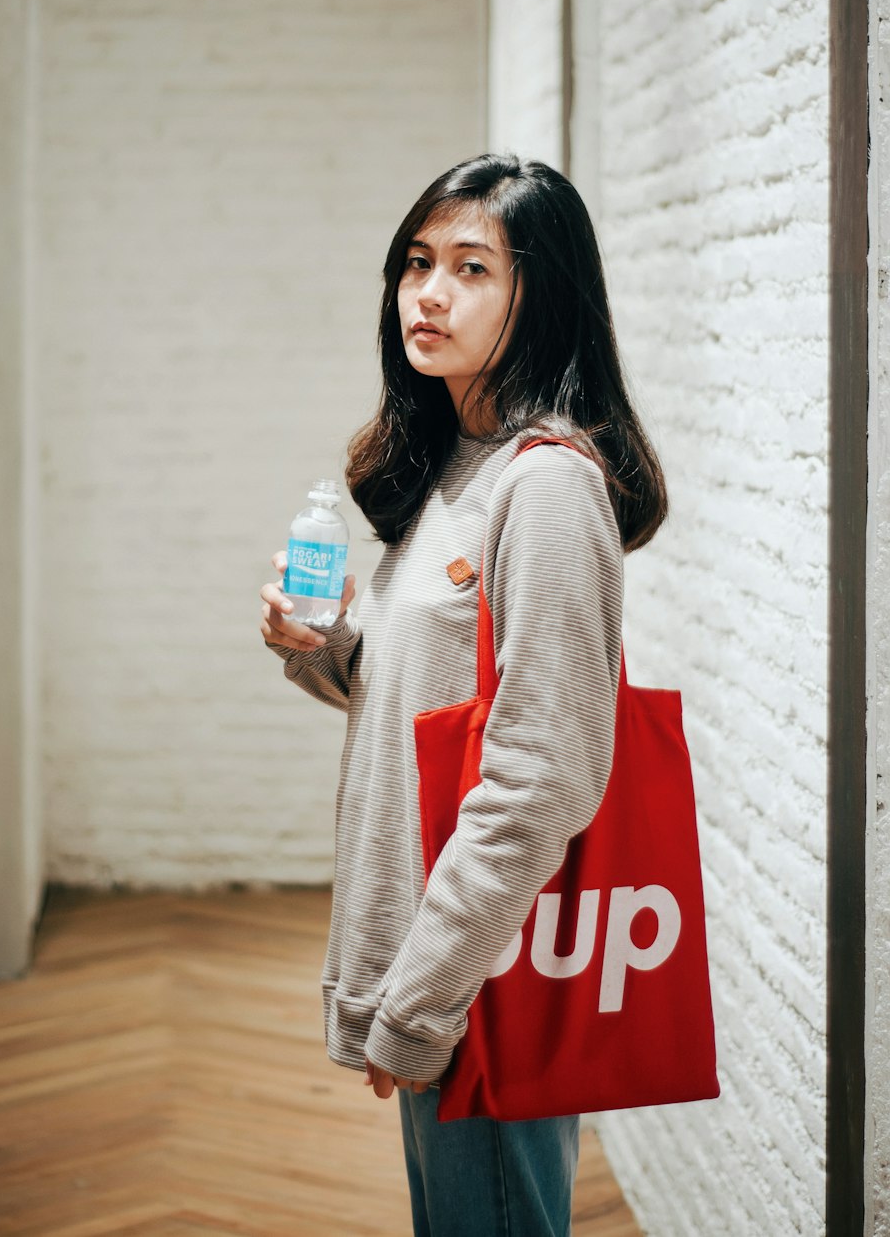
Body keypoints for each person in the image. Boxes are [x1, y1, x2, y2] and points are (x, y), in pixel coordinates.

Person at [259, 152, 668, 1237]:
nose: (427, 293)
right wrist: (326, 647)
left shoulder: (542, 487)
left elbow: (542, 779)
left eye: (472, 267)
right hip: (448, 956)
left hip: (483, 974)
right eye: (416, 262)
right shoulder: (459, 465)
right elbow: (437, 696)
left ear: (544, 297)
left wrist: (422, 1001)